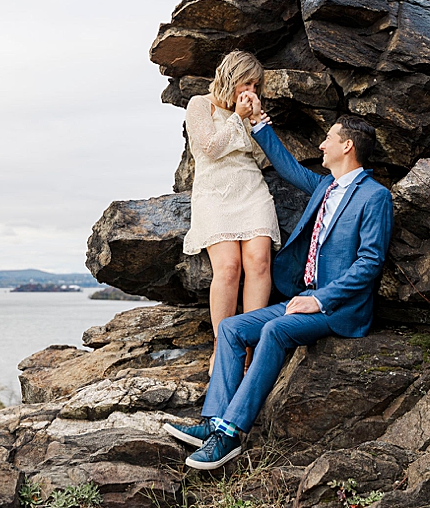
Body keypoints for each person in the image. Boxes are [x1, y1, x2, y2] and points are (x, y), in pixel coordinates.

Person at [163, 110, 394, 474]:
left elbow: (369, 263)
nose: (321, 144)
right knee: (231, 328)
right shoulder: (324, 186)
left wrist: (320, 299)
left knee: (274, 330)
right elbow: (287, 167)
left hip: (339, 308)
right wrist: (258, 125)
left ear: (347, 146)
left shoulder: (375, 197)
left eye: (329, 138)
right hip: (303, 298)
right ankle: (212, 420)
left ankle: (230, 433)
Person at [182, 52, 281, 338]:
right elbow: (210, 149)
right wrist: (238, 118)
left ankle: (250, 348)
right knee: (228, 268)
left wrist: (258, 125)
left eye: (255, 86)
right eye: (246, 84)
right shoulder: (199, 105)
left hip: (251, 191)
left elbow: (262, 157)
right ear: (230, 78)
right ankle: (222, 347)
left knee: (259, 262)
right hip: (214, 194)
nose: (250, 92)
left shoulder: (249, 114)